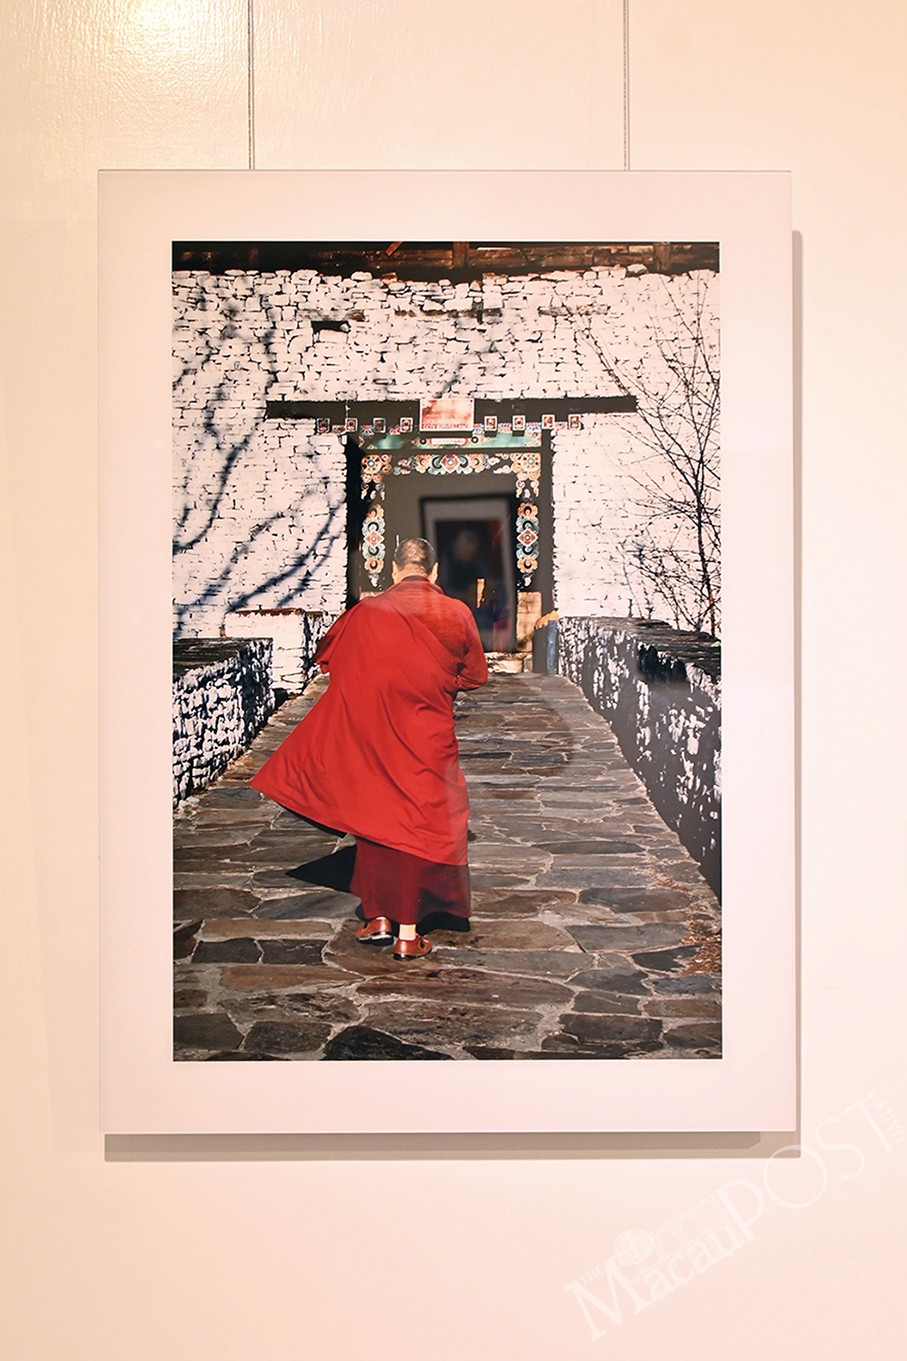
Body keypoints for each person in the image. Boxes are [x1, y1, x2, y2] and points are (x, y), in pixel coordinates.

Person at [250, 537, 488, 959]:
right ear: (433, 571)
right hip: (428, 732)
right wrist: (437, 681)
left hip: (375, 729)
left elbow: (333, 661)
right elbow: (475, 676)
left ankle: (378, 916)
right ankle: (408, 934)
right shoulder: (456, 612)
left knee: (376, 815)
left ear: (394, 570)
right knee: (423, 821)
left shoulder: (368, 611)